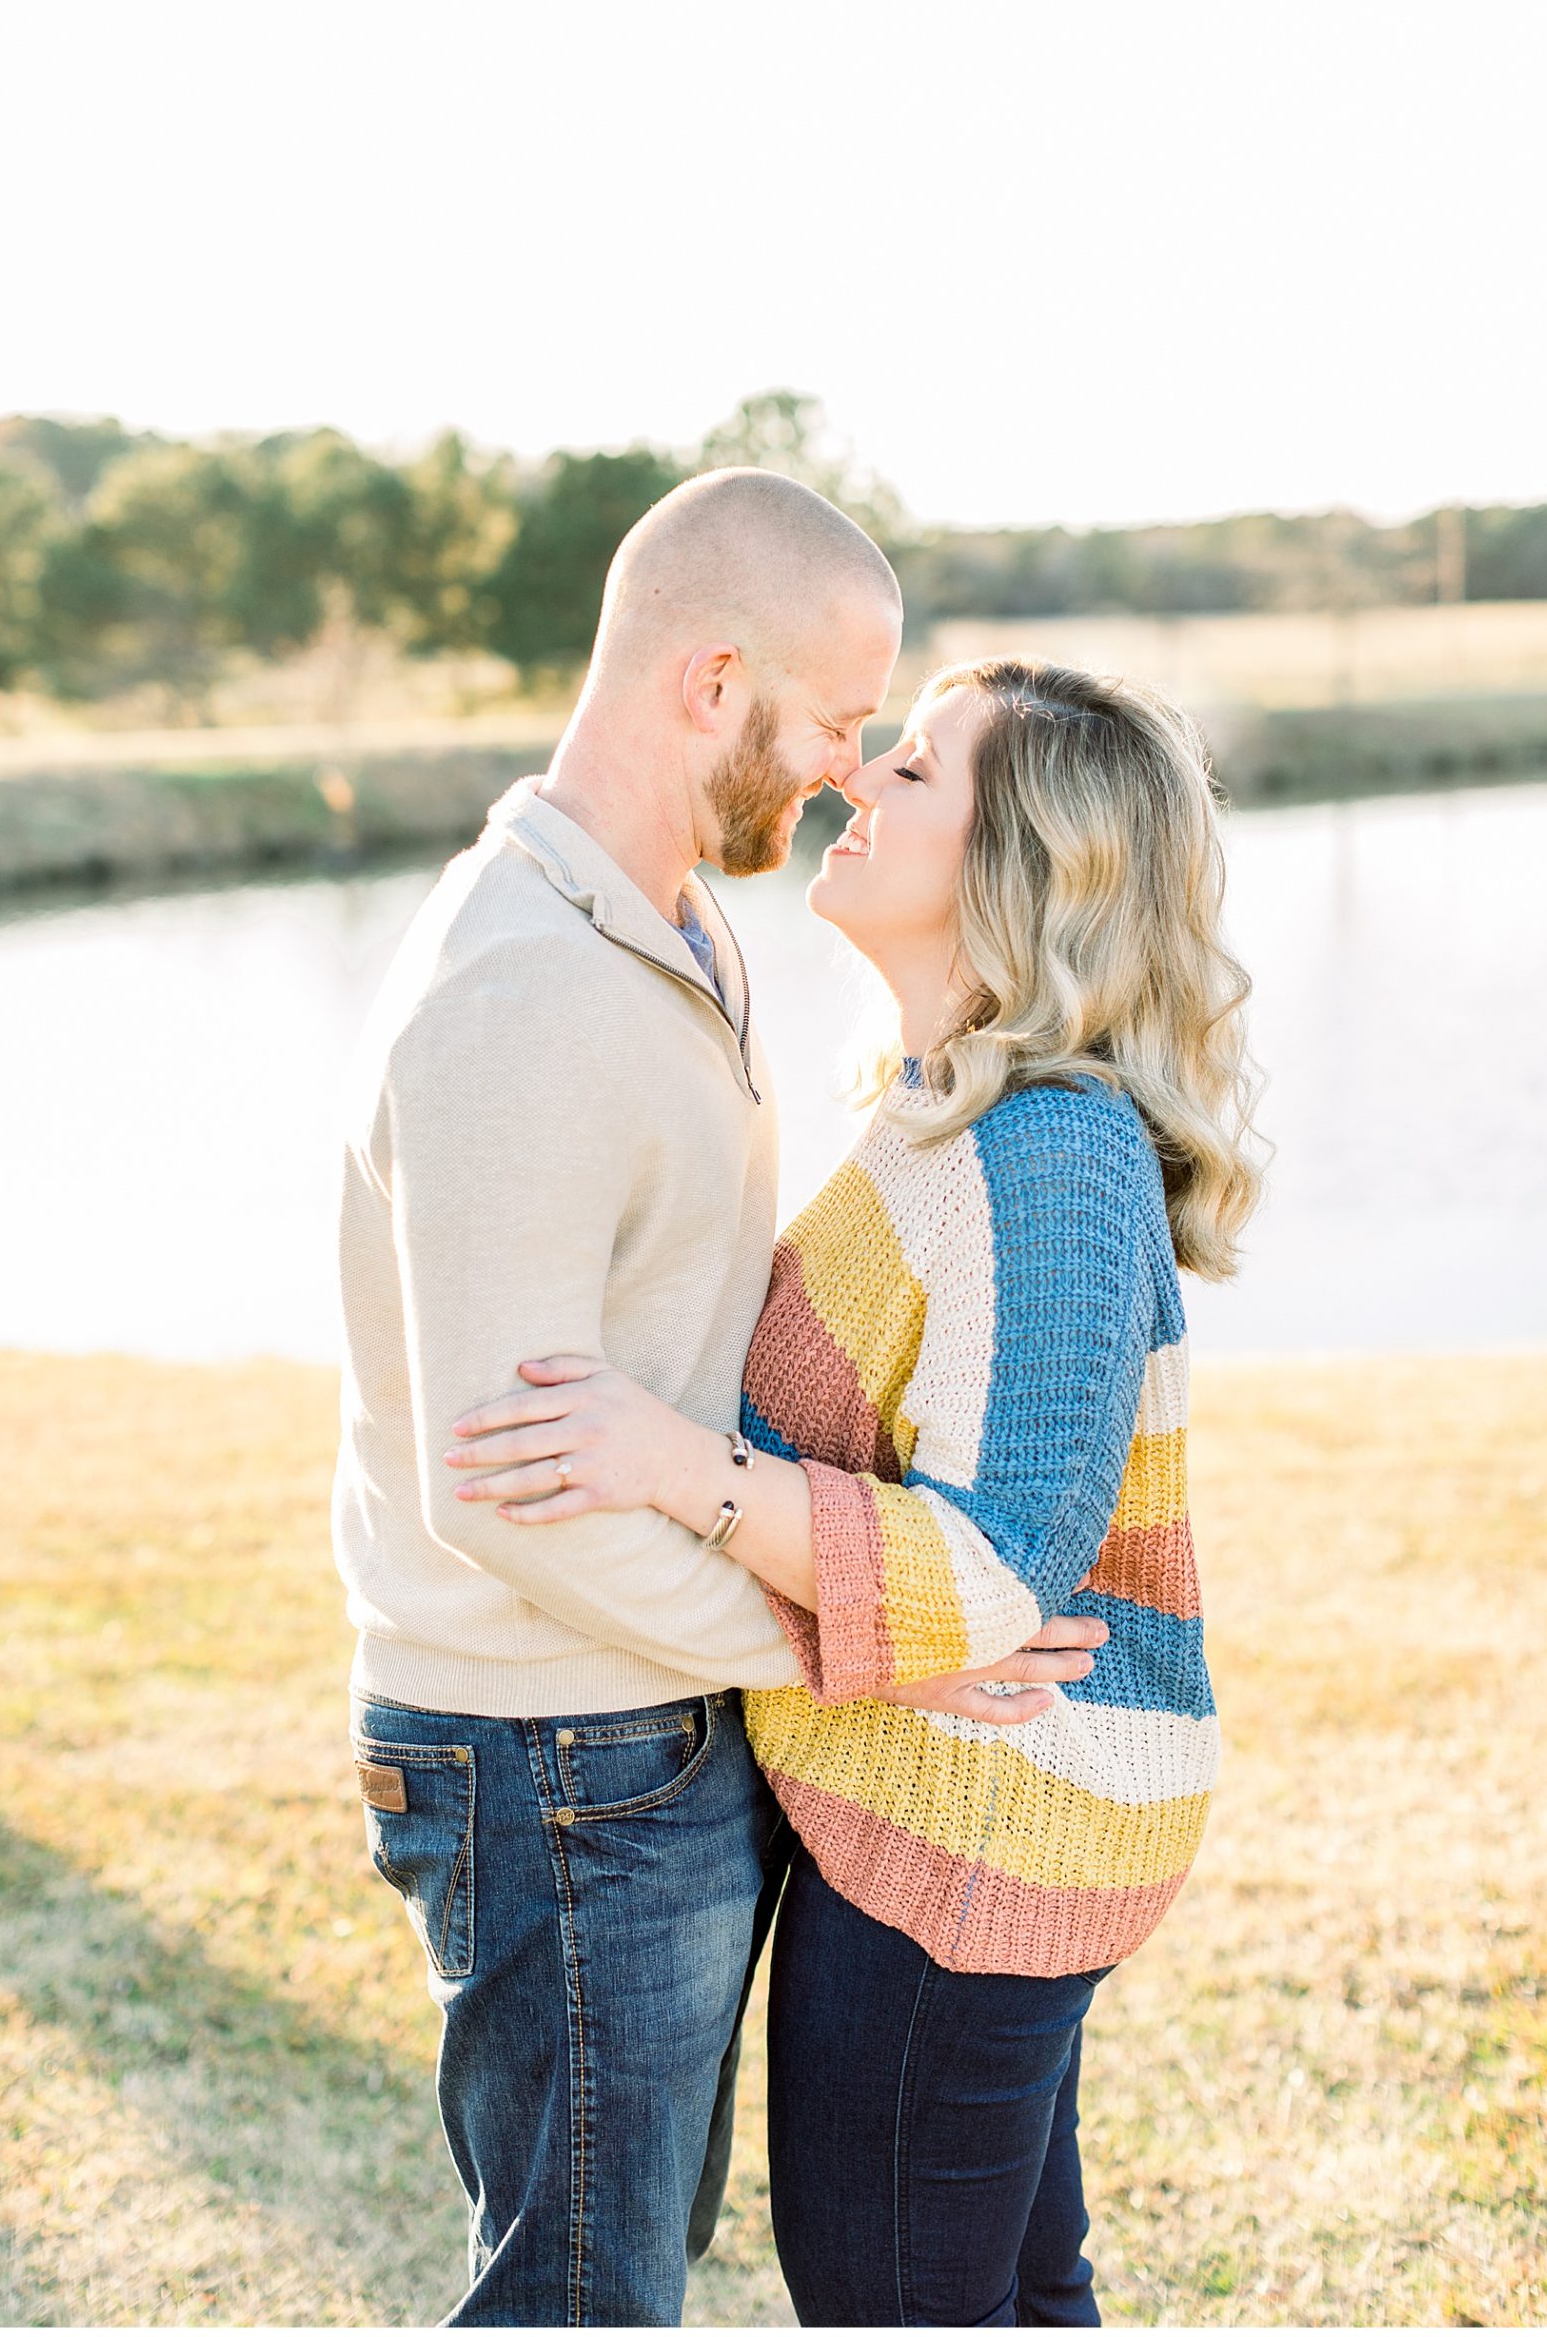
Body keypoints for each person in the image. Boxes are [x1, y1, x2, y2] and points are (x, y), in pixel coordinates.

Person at [333, 477, 1107, 2329]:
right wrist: (841, 1632)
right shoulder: (521, 987)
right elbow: (504, 1490)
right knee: (583, 2294)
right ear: (710, 680)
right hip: (558, 1755)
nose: (849, 769)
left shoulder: (664, 925)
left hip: (644, 1721)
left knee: (625, 2255)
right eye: (841, 721)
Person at [447, 654, 1264, 2327]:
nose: (848, 786)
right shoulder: (934, 1118)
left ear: (1023, 865)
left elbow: (999, 1579)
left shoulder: (1050, 1147)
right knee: (1015, 2294)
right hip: (935, 1798)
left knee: (896, 2300)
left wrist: (680, 1466)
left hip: (976, 1828)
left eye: (910, 773)